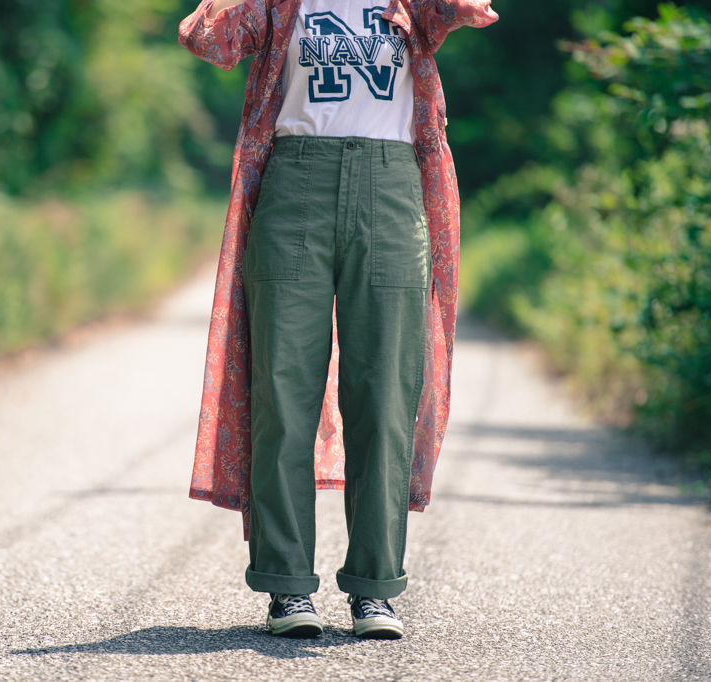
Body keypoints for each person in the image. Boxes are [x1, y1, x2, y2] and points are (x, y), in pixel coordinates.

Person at [178, 0, 498, 639]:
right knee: (282, 394)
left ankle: (374, 589)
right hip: (296, 183)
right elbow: (206, 39)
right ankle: (287, 588)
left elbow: (470, 10)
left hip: (390, 188)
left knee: (384, 397)